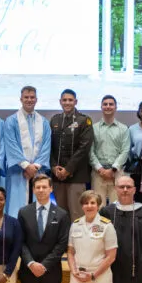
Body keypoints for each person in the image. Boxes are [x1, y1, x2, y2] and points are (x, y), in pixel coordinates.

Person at [17, 174, 71, 283]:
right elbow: (20, 242)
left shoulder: (62, 214)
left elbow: (62, 244)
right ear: (33, 190)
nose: (41, 190)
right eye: (38, 187)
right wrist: (31, 263)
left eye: (44, 187)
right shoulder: (24, 212)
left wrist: (45, 265)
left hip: (51, 273)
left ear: (51, 189)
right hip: (28, 272)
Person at [4, 86, 51, 216]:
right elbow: (11, 145)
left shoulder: (44, 122)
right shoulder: (11, 121)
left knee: (39, 208)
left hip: (38, 171)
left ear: (36, 99)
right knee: (17, 209)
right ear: (21, 99)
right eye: (26, 97)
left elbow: (46, 146)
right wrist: (26, 166)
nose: (29, 100)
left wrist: (35, 167)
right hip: (18, 172)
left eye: (32, 97)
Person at [50, 89, 93, 220]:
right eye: (64, 100)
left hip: (77, 176)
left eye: (70, 100)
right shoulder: (55, 120)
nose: (67, 103)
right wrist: (54, 167)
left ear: (75, 102)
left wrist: (68, 169)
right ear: (60, 102)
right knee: (61, 216)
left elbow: (84, 148)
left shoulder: (84, 120)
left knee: (77, 215)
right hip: (58, 177)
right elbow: (49, 147)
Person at [89, 95, 130, 205]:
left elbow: (125, 151)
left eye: (111, 104)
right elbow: (90, 151)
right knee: (98, 207)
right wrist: (100, 170)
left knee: (117, 207)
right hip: (98, 174)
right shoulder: (93, 128)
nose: (108, 106)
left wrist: (113, 169)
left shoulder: (123, 129)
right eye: (105, 104)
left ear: (116, 107)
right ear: (101, 107)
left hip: (117, 173)